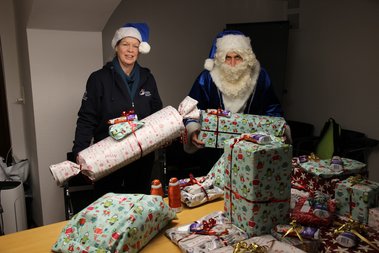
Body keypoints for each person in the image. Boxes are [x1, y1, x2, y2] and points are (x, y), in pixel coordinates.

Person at [71, 23, 163, 198]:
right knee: (109, 207)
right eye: (125, 44)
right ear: (116, 47)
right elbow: (86, 118)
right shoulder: (98, 79)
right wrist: (79, 152)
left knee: (140, 205)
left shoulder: (147, 77)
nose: (130, 50)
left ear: (140, 50)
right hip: (108, 156)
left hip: (141, 156)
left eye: (135, 46)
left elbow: (157, 113)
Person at [183, 30, 284, 174]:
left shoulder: (260, 77)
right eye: (227, 57)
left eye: (238, 57)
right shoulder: (207, 78)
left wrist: (279, 129)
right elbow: (191, 108)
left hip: (251, 150)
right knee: (214, 191)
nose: (232, 63)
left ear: (246, 57)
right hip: (213, 151)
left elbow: (272, 107)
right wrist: (193, 130)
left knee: (248, 189)